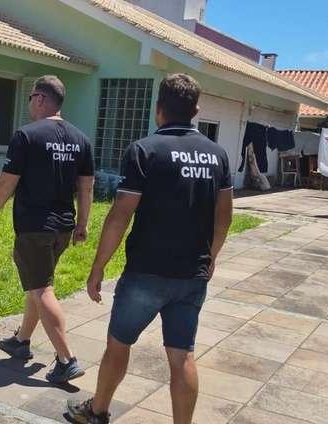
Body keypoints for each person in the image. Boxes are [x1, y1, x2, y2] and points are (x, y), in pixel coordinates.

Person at [67, 74, 233, 424]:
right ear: (196, 111)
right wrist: (212, 257)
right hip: (191, 274)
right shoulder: (217, 155)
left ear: (158, 110)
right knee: (182, 355)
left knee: (119, 344)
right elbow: (224, 218)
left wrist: (98, 267)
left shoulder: (144, 150)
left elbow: (120, 215)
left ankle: (97, 411)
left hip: (145, 272)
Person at [0, 75, 94, 384]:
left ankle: (67, 360)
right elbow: (86, 187)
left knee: (41, 289)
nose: (29, 102)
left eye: (31, 96)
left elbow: (7, 180)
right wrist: (82, 223)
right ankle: (21, 341)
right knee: (38, 283)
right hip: (63, 228)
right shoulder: (81, 140)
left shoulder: (26, 135)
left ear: (42, 99)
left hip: (34, 227)